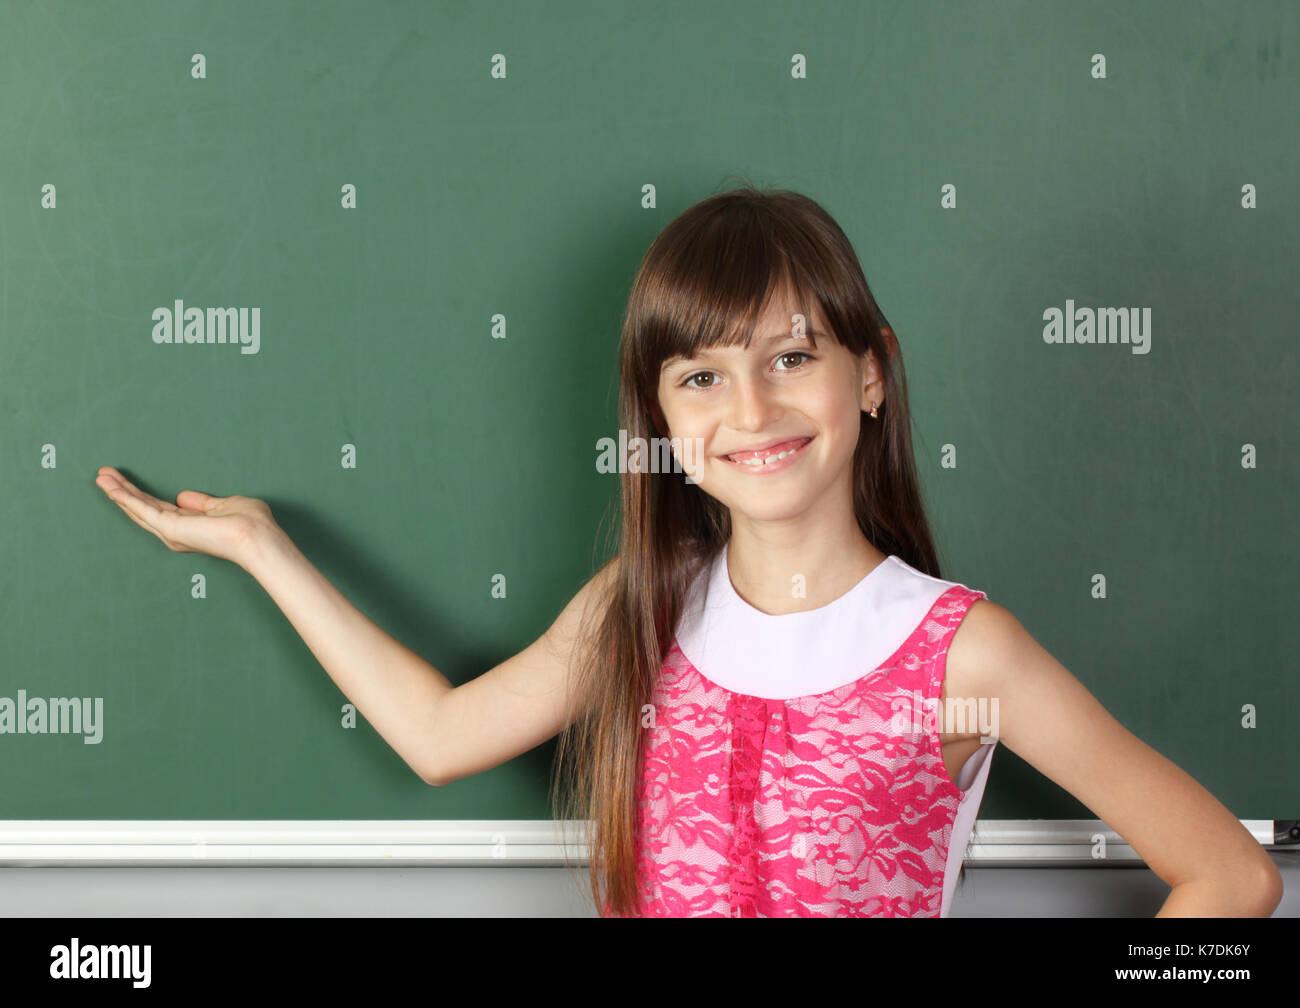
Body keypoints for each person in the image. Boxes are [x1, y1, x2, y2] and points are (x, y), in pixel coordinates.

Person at [94, 185, 1283, 919]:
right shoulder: (641, 606)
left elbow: (1232, 877)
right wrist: (262, 548)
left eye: (791, 356)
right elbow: (439, 737)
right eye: (702, 376)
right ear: (662, 418)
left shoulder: (961, 652)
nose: (750, 410)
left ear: (869, 373)